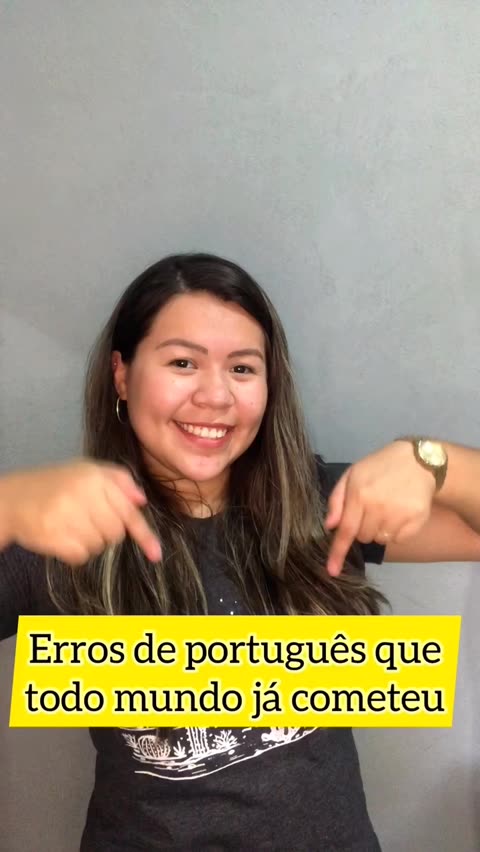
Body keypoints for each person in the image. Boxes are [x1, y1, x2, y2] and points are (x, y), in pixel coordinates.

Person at [0, 252, 479, 851]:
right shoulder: (62, 530)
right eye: (182, 362)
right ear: (122, 375)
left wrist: (435, 463)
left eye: (243, 368)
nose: (215, 395)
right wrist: (7, 506)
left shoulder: (320, 504)